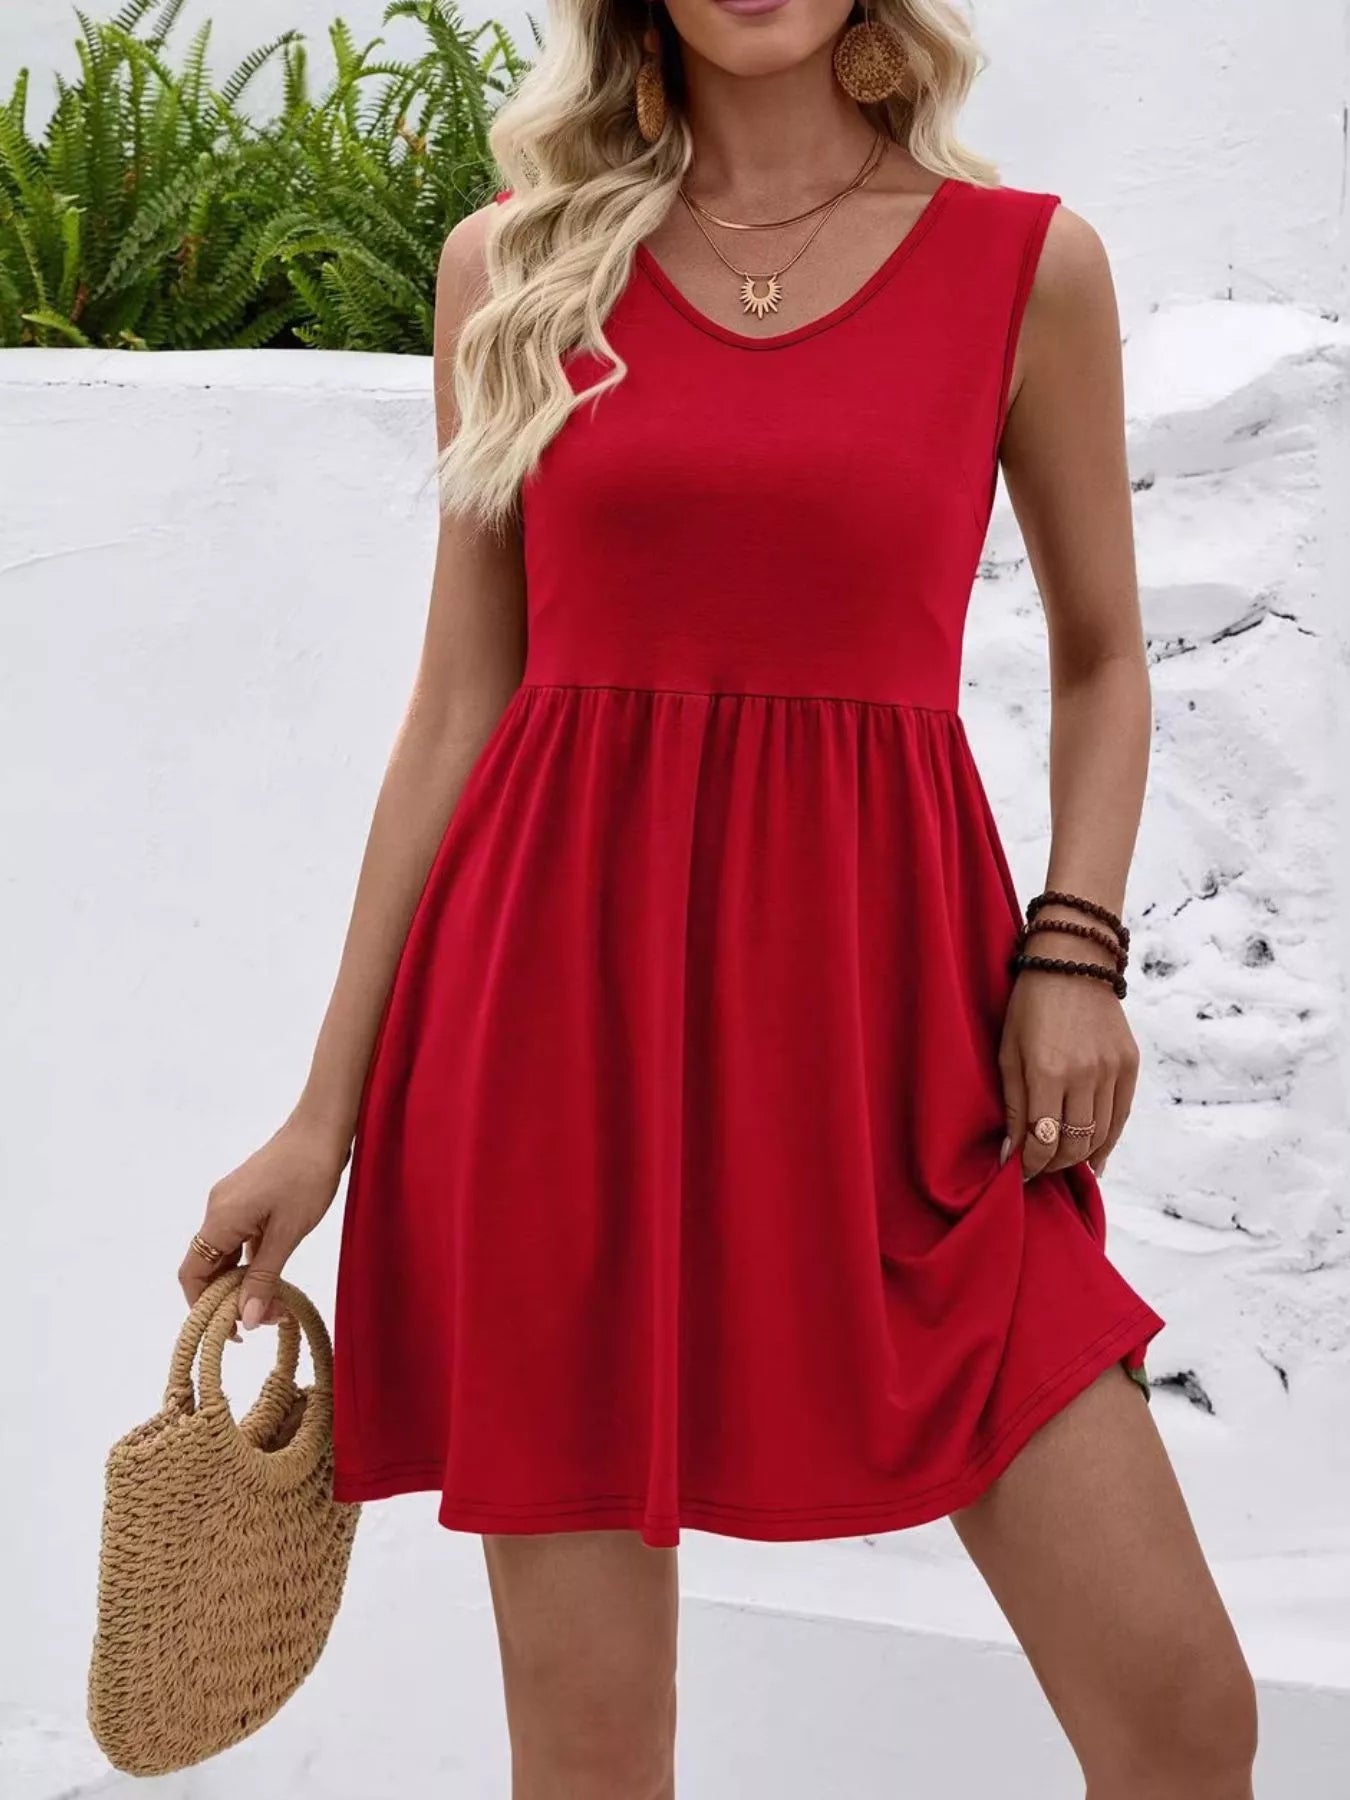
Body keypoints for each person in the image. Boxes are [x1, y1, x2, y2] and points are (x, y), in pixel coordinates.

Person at [179, 0, 1260, 1793]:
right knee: (595, 1756)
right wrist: (324, 1117)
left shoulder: (1024, 266)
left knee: (1180, 1714)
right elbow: (462, 700)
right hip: (552, 1040)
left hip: (897, 1042)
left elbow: (1098, 656)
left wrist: (1073, 944)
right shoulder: (512, 269)